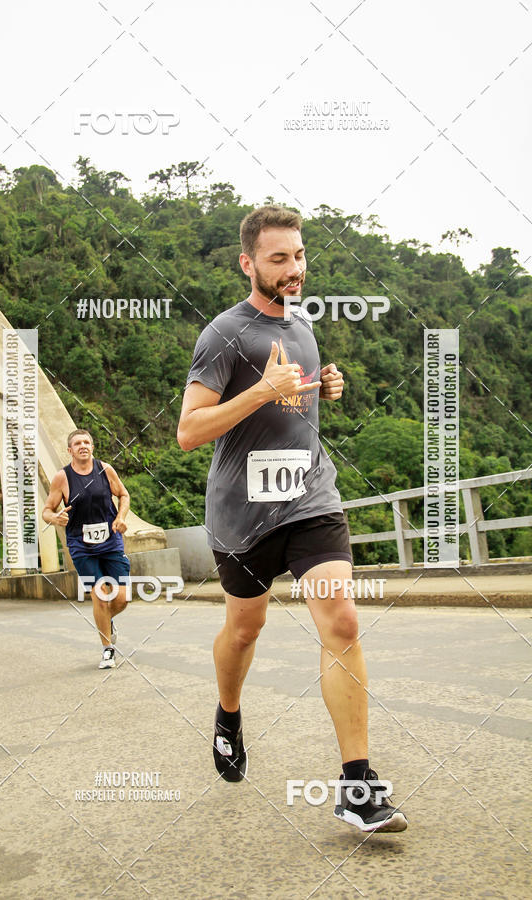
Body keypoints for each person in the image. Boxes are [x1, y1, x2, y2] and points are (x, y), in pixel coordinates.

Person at [177, 205, 407, 833]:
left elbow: (294, 398)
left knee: (342, 618)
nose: (294, 269)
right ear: (248, 262)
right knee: (244, 631)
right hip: (243, 516)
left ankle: (357, 785)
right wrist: (258, 392)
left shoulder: (302, 323)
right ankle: (228, 712)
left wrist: (320, 386)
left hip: (310, 498)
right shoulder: (223, 334)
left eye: (299, 256)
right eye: (279, 259)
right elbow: (189, 431)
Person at [42, 429, 131, 669]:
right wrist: (54, 517)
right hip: (81, 546)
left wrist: (121, 516)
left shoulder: (106, 470)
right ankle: (107, 650)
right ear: (69, 450)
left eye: (87, 442)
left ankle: (106, 621)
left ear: (92, 447)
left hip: (111, 540)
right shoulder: (62, 478)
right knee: (100, 594)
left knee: (121, 599)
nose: (83, 446)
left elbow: (123, 494)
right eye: (77, 443)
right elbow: (47, 510)